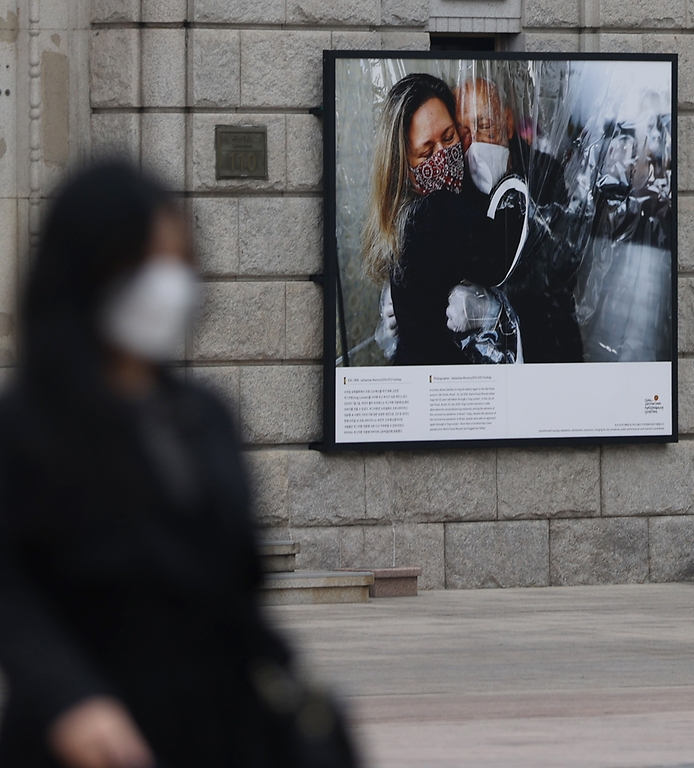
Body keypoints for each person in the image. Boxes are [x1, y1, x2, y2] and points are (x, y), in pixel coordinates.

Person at [0, 162, 357, 768]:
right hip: (88, 735)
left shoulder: (203, 417)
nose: (164, 285)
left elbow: (237, 595)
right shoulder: (29, 424)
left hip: (215, 729)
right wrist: (71, 697)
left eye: (176, 260)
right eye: (143, 262)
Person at [363, 73, 525, 366]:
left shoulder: (417, 210)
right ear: (403, 165)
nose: (443, 156)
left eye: (450, 137)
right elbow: (511, 252)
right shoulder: (434, 212)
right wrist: (495, 310)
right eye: (426, 152)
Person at [453, 76, 584, 363]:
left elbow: (556, 266)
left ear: (508, 122)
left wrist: (492, 308)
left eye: (484, 126)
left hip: (548, 345)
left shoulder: (544, 172)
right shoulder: (456, 188)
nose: (473, 143)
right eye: (462, 133)